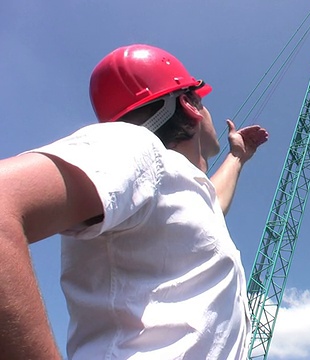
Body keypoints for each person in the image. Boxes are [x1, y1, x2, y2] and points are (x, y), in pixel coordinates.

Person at [0, 44, 268, 359]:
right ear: (190, 104)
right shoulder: (137, 147)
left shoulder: (173, 185)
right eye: (203, 99)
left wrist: (237, 157)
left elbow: (211, 208)